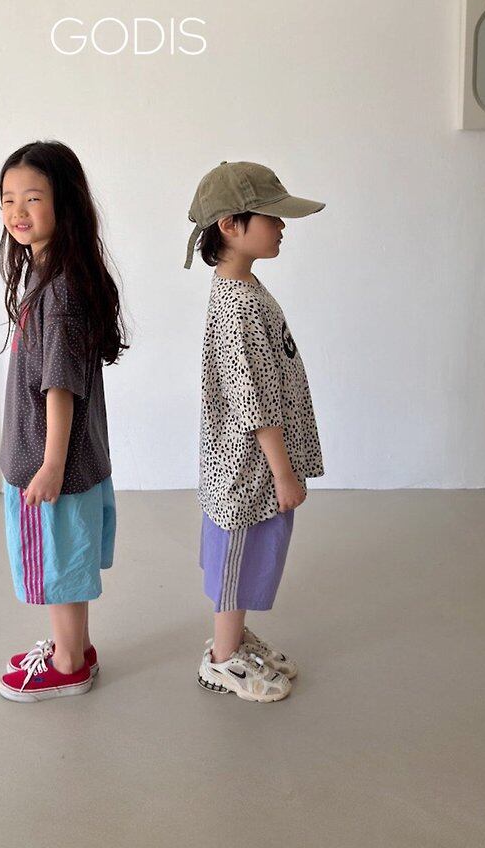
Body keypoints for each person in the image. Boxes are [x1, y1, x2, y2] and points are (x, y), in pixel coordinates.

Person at [184, 160, 326, 703]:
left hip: (252, 463)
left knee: (250, 552)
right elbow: (253, 401)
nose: (282, 226)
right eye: (272, 216)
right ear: (230, 225)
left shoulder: (243, 286)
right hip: (248, 467)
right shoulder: (236, 304)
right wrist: (283, 472)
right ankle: (222, 661)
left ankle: (235, 641)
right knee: (237, 559)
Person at [0, 140, 128, 702]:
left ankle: (69, 664)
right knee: (66, 557)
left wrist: (50, 464)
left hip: (54, 462)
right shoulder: (50, 273)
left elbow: (60, 386)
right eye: (7, 199)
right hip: (65, 459)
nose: (16, 211)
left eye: (32, 198)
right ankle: (76, 647)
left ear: (64, 203)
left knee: (58, 564)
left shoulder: (61, 288)